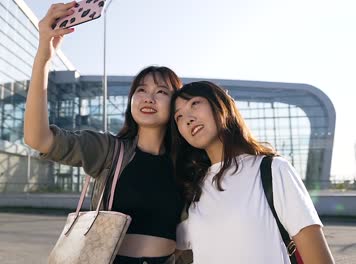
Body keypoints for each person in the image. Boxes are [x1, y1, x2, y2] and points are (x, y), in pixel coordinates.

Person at [23, 2, 185, 263]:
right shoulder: (109, 150)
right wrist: (43, 57)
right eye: (141, 90)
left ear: (176, 103)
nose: (148, 98)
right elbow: (38, 138)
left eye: (161, 92)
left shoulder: (186, 162)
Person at [171, 81, 335, 264]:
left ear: (221, 105)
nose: (188, 118)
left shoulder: (273, 170)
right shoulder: (194, 190)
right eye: (179, 116)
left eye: (195, 104)